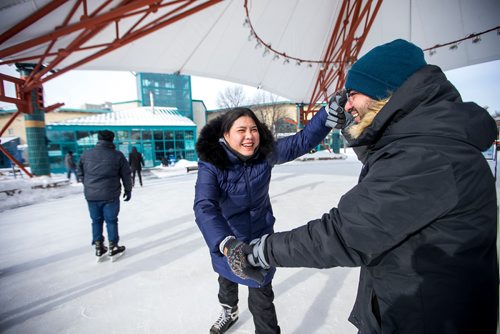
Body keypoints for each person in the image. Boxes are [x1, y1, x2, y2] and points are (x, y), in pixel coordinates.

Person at [224, 39, 498, 333]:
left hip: (426, 318)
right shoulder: (427, 141)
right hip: (412, 307)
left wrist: (262, 252)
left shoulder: (428, 157)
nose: (349, 103)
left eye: (353, 94)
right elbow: (386, 160)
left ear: (385, 89)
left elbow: (345, 233)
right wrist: (352, 125)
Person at [193, 105, 340, 334]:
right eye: (241, 130)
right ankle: (228, 311)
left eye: (253, 129)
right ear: (225, 135)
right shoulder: (213, 164)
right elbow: (204, 205)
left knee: (262, 297)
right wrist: (226, 243)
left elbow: (300, 142)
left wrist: (326, 115)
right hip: (227, 238)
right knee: (226, 279)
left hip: (259, 238)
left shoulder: (265, 153)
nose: (249, 136)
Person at [78, 130, 133, 262]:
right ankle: (113, 246)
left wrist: (87, 184)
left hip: (91, 195)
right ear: (112, 140)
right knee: (111, 220)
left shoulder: (86, 154)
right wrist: (128, 190)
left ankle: (98, 246)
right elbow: (126, 175)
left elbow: (79, 171)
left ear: (99, 139)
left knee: (96, 220)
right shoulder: (117, 156)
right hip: (110, 194)